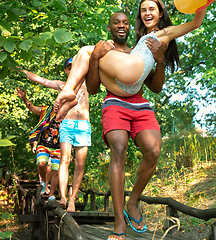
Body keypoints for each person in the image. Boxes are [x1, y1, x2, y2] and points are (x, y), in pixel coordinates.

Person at [54, 0, 209, 122]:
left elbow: (196, 23)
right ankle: (71, 97)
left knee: (85, 51)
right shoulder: (139, 41)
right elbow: (94, 86)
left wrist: (205, 2)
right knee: (83, 58)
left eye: (151, 9)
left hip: (132, 70)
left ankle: (68, 91)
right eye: (143, 10)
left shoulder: (165, 33)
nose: (147, 13)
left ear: (160, 14)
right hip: (125, 88)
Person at [86, 11, 166, 240]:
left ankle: (133, 202)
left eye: (125, 23)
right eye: (116, 23)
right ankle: (119, 223)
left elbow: (156, 87)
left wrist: (159, 61)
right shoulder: (103, 53)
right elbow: (92, 89)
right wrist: (94, 58)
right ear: (109, 27)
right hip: (114, 103)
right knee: (118, 149)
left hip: (139, 104)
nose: (121, 26)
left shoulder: (138, 52)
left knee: (153, 151)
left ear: (130, 27)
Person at [16, 60, 91, 212]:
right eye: (69, 68)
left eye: (74, 67)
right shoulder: (61, 85)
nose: (72, 70)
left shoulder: (87, 82)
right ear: (65, 71)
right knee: (64, 160)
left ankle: (72, 200)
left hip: (83, 125)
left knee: (80, 164)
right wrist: (20, 69)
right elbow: (40, 80)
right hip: (67, 125)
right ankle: (63, 197)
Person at [15, 87, 60, 201]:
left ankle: (51, 195)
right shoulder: (47, 110)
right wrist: (25, 99)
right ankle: (43, 182)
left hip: (58, 147)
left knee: (55, 171)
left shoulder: (68, 114)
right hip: (43, 144)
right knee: (41, 163)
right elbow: (32, 108)